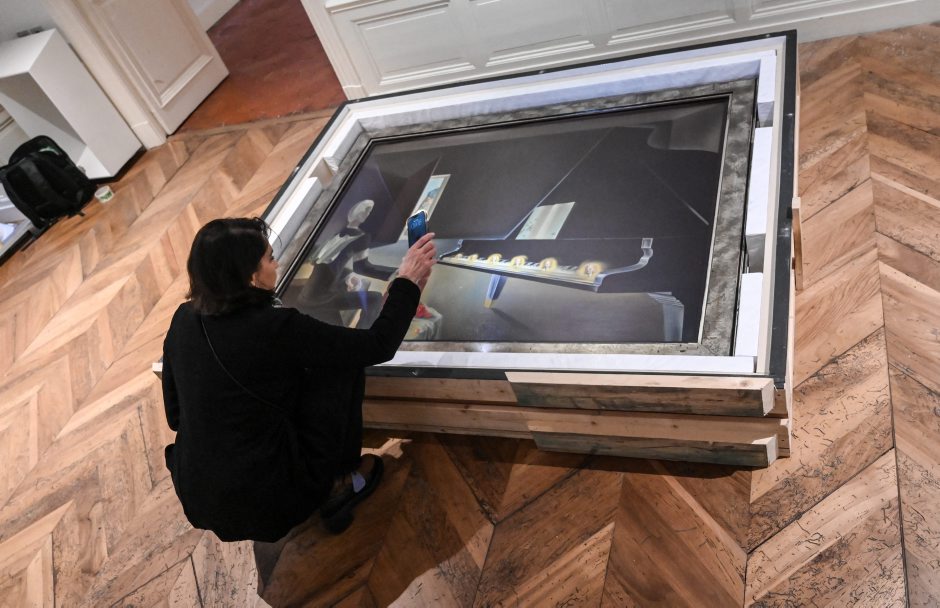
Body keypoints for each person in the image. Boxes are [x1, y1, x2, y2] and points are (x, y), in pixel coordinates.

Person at [161, 217, 436, 541]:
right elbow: (376, 345)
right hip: (271, 502)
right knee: (341, 365)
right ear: (251, 277)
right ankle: (338, 485)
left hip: (197, 493)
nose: (277, 264)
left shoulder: (184, 319)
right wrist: (408, 282)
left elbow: (175, 414)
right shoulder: (276, 327)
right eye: (270, 258)